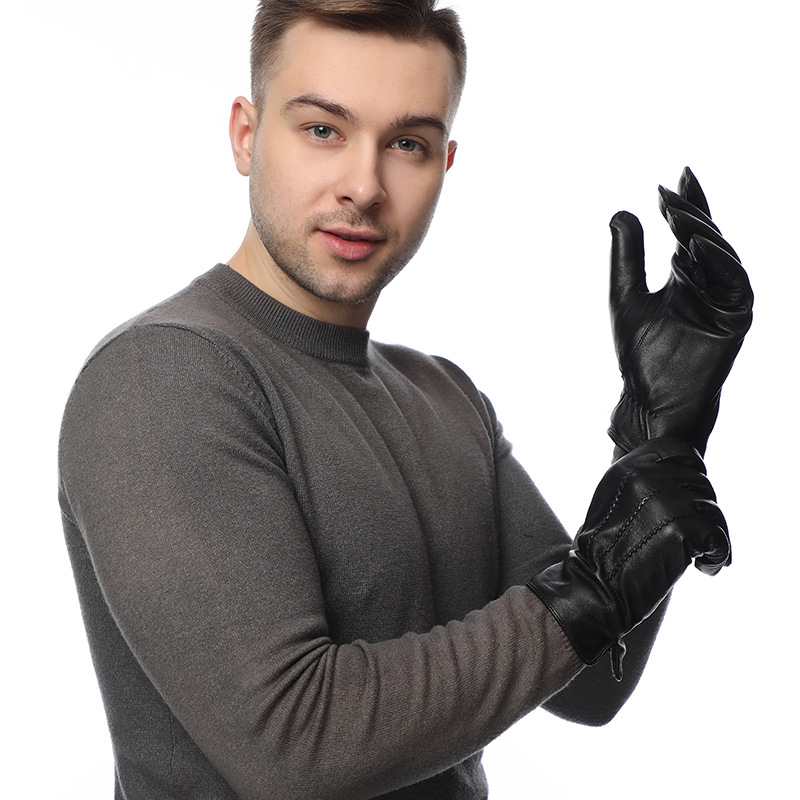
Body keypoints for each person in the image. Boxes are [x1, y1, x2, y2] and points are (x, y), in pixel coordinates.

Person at [58, 2, 753, 798]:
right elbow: (294, 749)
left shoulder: (447, 397)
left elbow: (588, 680)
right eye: (323, 130)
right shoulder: (161, 375)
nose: (363, 186)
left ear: (444, 164)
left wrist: (660, 438)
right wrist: (592, 588)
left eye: (407, 144)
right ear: (246, 136)